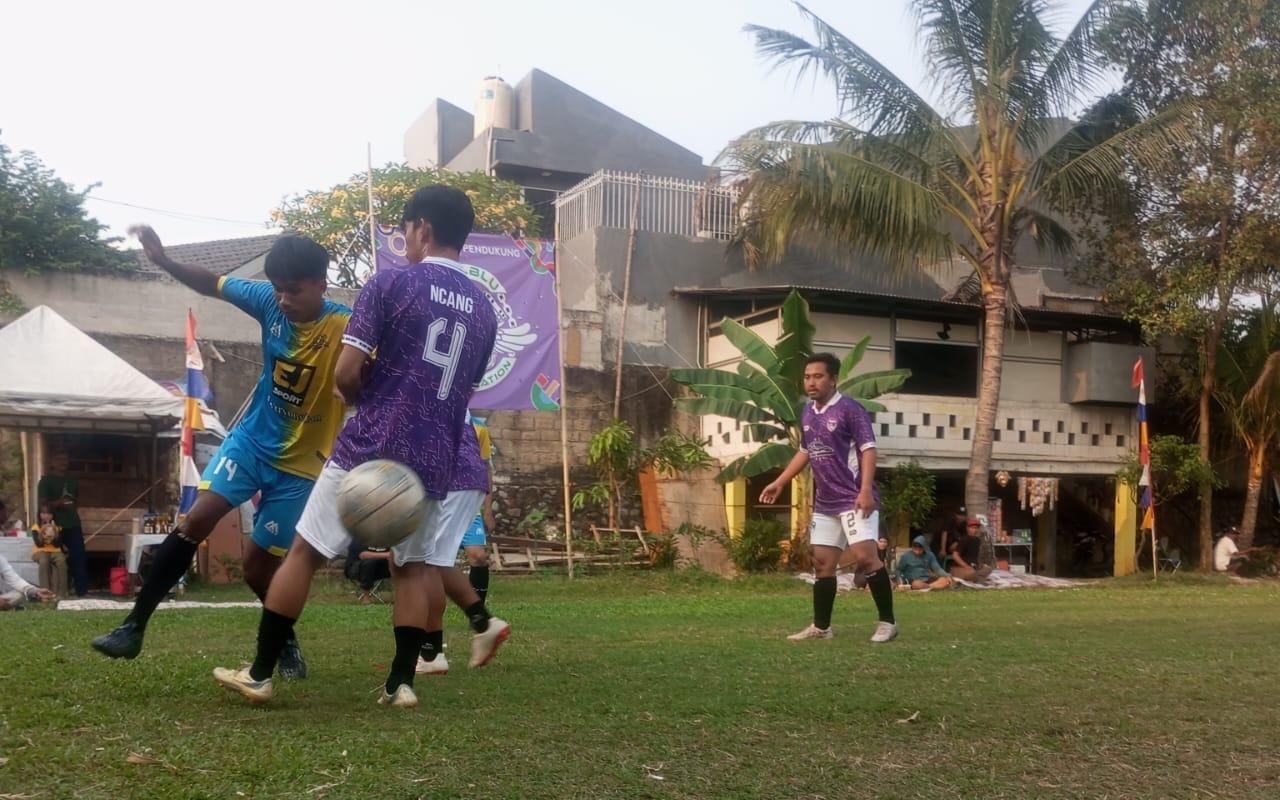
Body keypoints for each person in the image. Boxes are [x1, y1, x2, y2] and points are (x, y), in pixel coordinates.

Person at [212, 185, 509, 709]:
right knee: (414, 567)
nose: (404, 240)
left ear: (423, 228)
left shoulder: (392, 283)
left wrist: (361, 395)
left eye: (406, 230)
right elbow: (464, 388)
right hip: (438, 454)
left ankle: (259, 673)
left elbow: (347, 372)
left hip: (373, 442)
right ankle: (401, 684)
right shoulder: (486, 311)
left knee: (304, 551)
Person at [91, 227, 352, 680]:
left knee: (257, 568)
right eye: (279, 290)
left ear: (321, 285)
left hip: (302, 469)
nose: (285, 299)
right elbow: (213, 282)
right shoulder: (267, 302)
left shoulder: (346, 325)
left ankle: (283, 641)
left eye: (295, 290)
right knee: (196, 520)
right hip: (250, 442)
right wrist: (166, 261)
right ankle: (133, 626)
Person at [761, 352, 897, 643]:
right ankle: (821, 628)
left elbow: (869, 450)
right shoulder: (808, 412)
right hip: (826, 502)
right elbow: (805, 451)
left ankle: (888, 622)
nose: (811, 382)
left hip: (853, 496)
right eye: (808, 376)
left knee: (865, 557)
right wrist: (780, 481)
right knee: (822, 563)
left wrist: (864, 491)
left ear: (833, 379)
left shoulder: (851, 409)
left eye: (818, 376)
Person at [416, 411, 496, 676]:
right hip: (461, 478)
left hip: (453, 478)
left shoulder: (413, 385)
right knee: (433, 562)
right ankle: (434, 651)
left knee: (427, 563)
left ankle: (434, 651)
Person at [38, 451, 87, 597]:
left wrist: (70, 504)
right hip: (54, 526)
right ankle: (56, 591)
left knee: (79, 556)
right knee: (56, 558)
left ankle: (82, 592)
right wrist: (59, 503)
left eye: (65, 459)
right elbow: (43, 504)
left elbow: (76, 499)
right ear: (52, 463)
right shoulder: (46, 481)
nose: (63, 462)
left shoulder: (72, 480)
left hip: (73, 523)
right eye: (59, 459)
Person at [32, 508, 68, 598]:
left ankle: (61, 593)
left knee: (61, 562)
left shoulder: (58, 527)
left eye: (49, 513)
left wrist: (54, 533)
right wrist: (45, 534)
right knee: (44, 561)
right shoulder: (36, 527)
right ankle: (45, 593)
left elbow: (57, 544)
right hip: (40, 551)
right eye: (43, 513)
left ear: (52, 515)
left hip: (55, 551)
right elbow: (39, 544)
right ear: (40, 515)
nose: (46, 516)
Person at [950, 517, 991, 582]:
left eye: (976, 528)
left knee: (988, 569)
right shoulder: (964, 539)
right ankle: (976, 577)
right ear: (967, 528)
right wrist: (966, 566)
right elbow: (955, 556)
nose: (974, 530)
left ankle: (977, 577)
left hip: (973, 568)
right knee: (973, 573)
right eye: (972, 528)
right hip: (960, 568)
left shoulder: (978, 540)